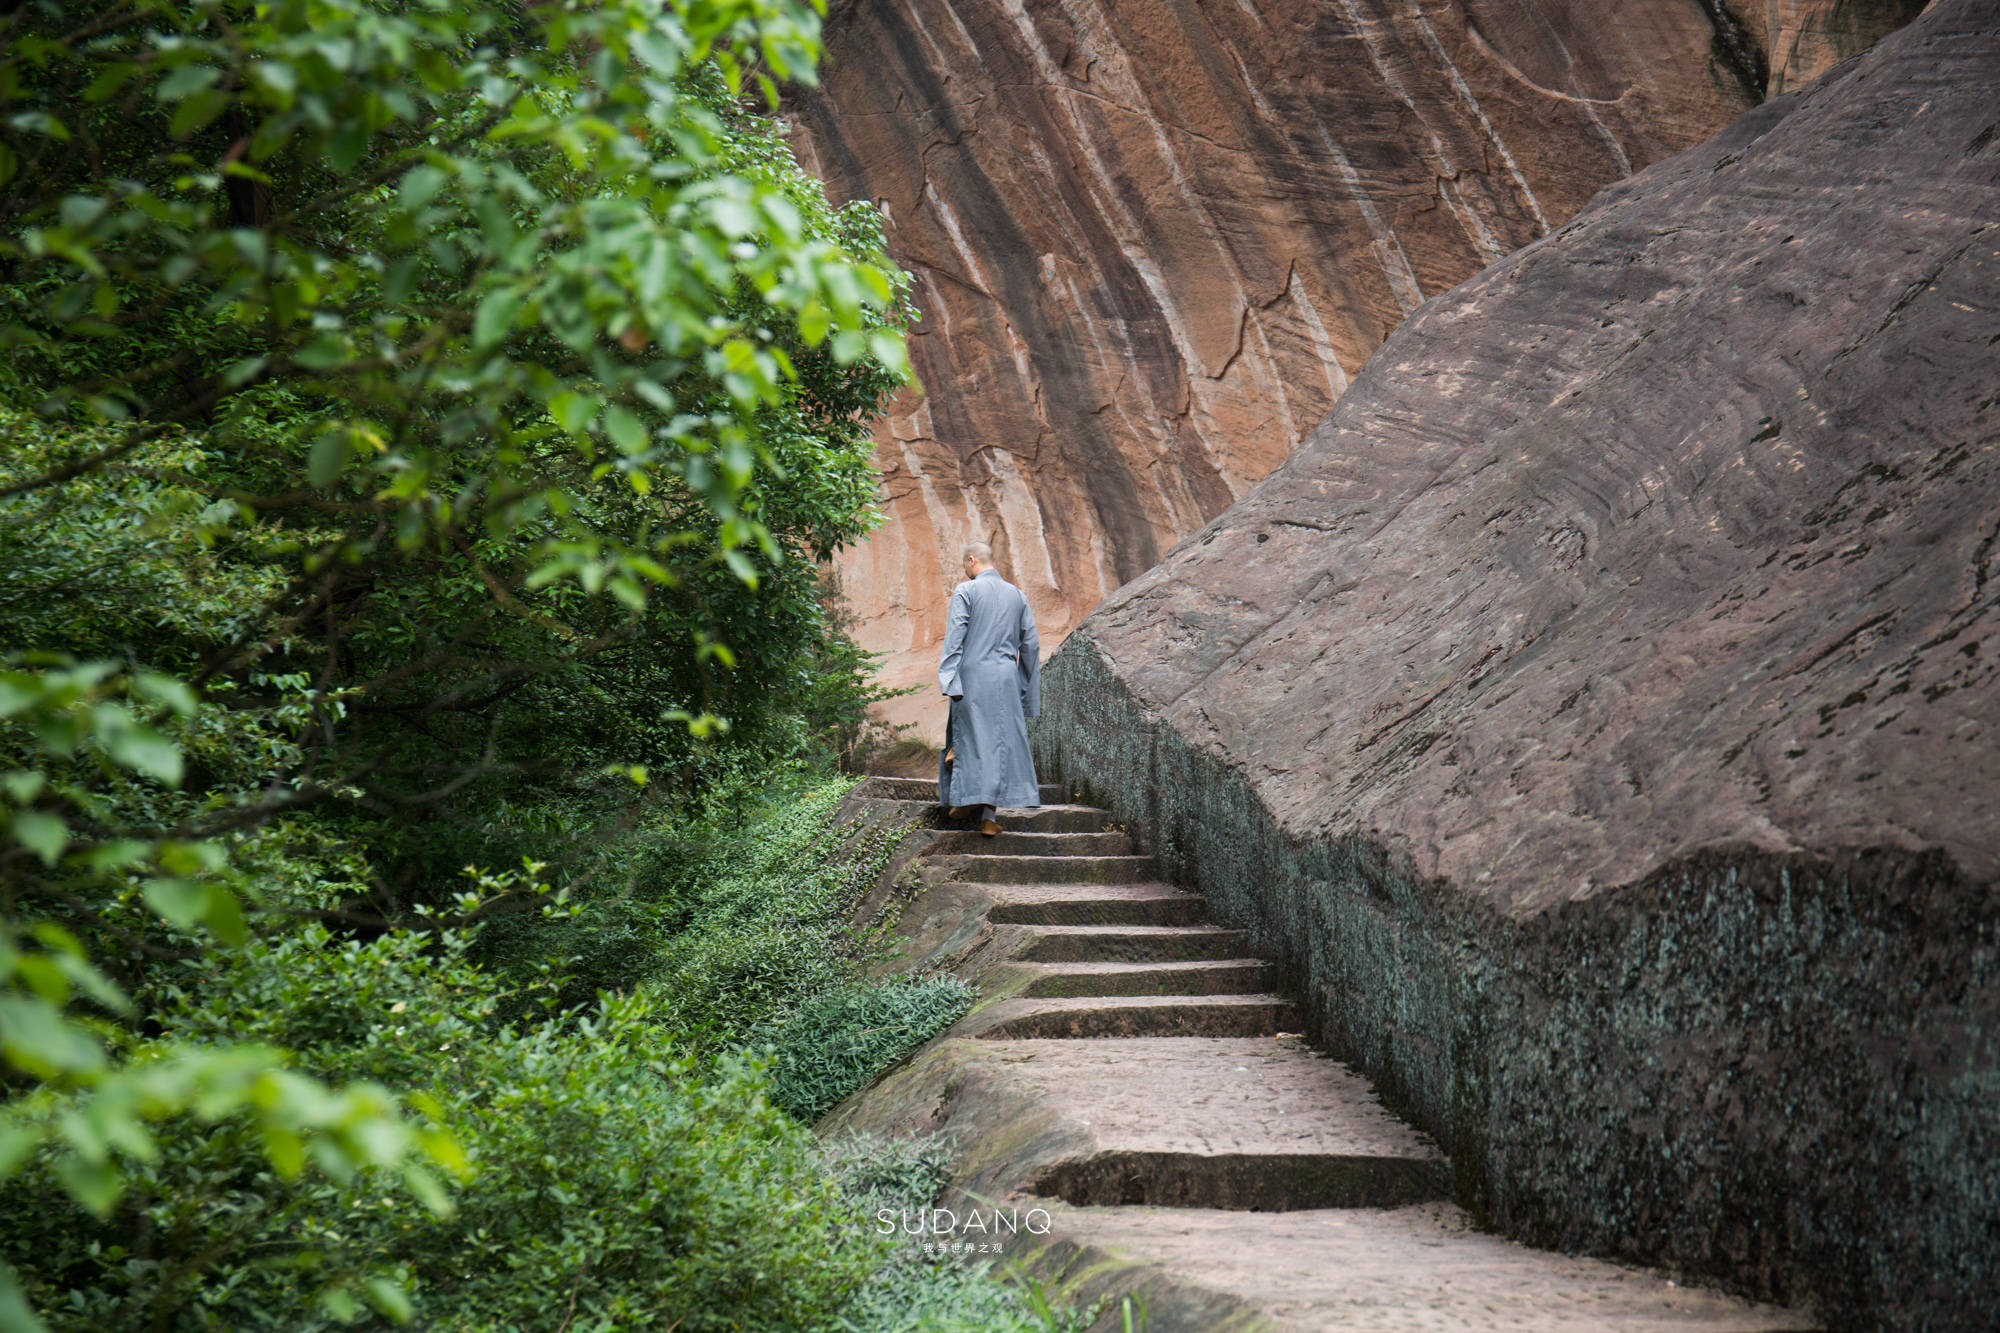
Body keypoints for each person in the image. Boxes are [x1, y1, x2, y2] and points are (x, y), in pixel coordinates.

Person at [937, 541, 1042, 835]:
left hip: (973, 676)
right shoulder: (1018, 595)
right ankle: (989, 819)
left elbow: (955, 637)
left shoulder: (966, 590)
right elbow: (1031, 646)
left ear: (971, 561)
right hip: (1006, 677)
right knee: (999, 742)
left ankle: (964, 794)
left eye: (965, 566)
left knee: (971, 737)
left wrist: (948, 679)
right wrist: (1025, 687)